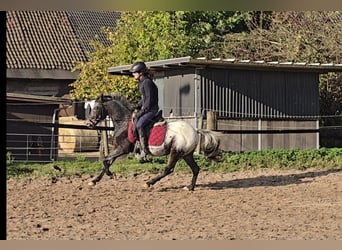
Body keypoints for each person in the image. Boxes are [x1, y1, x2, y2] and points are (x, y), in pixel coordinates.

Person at [130, 61, 159, 160]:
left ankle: (145, 151)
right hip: (147, 108)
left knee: (139, 125)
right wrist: (135, 106)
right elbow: (144, 100)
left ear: (141, 72)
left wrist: (141, 112)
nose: (133, 74)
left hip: (152, 110)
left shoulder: (147, 82)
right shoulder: (142, 82)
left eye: (135, 72)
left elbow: (149, 101)